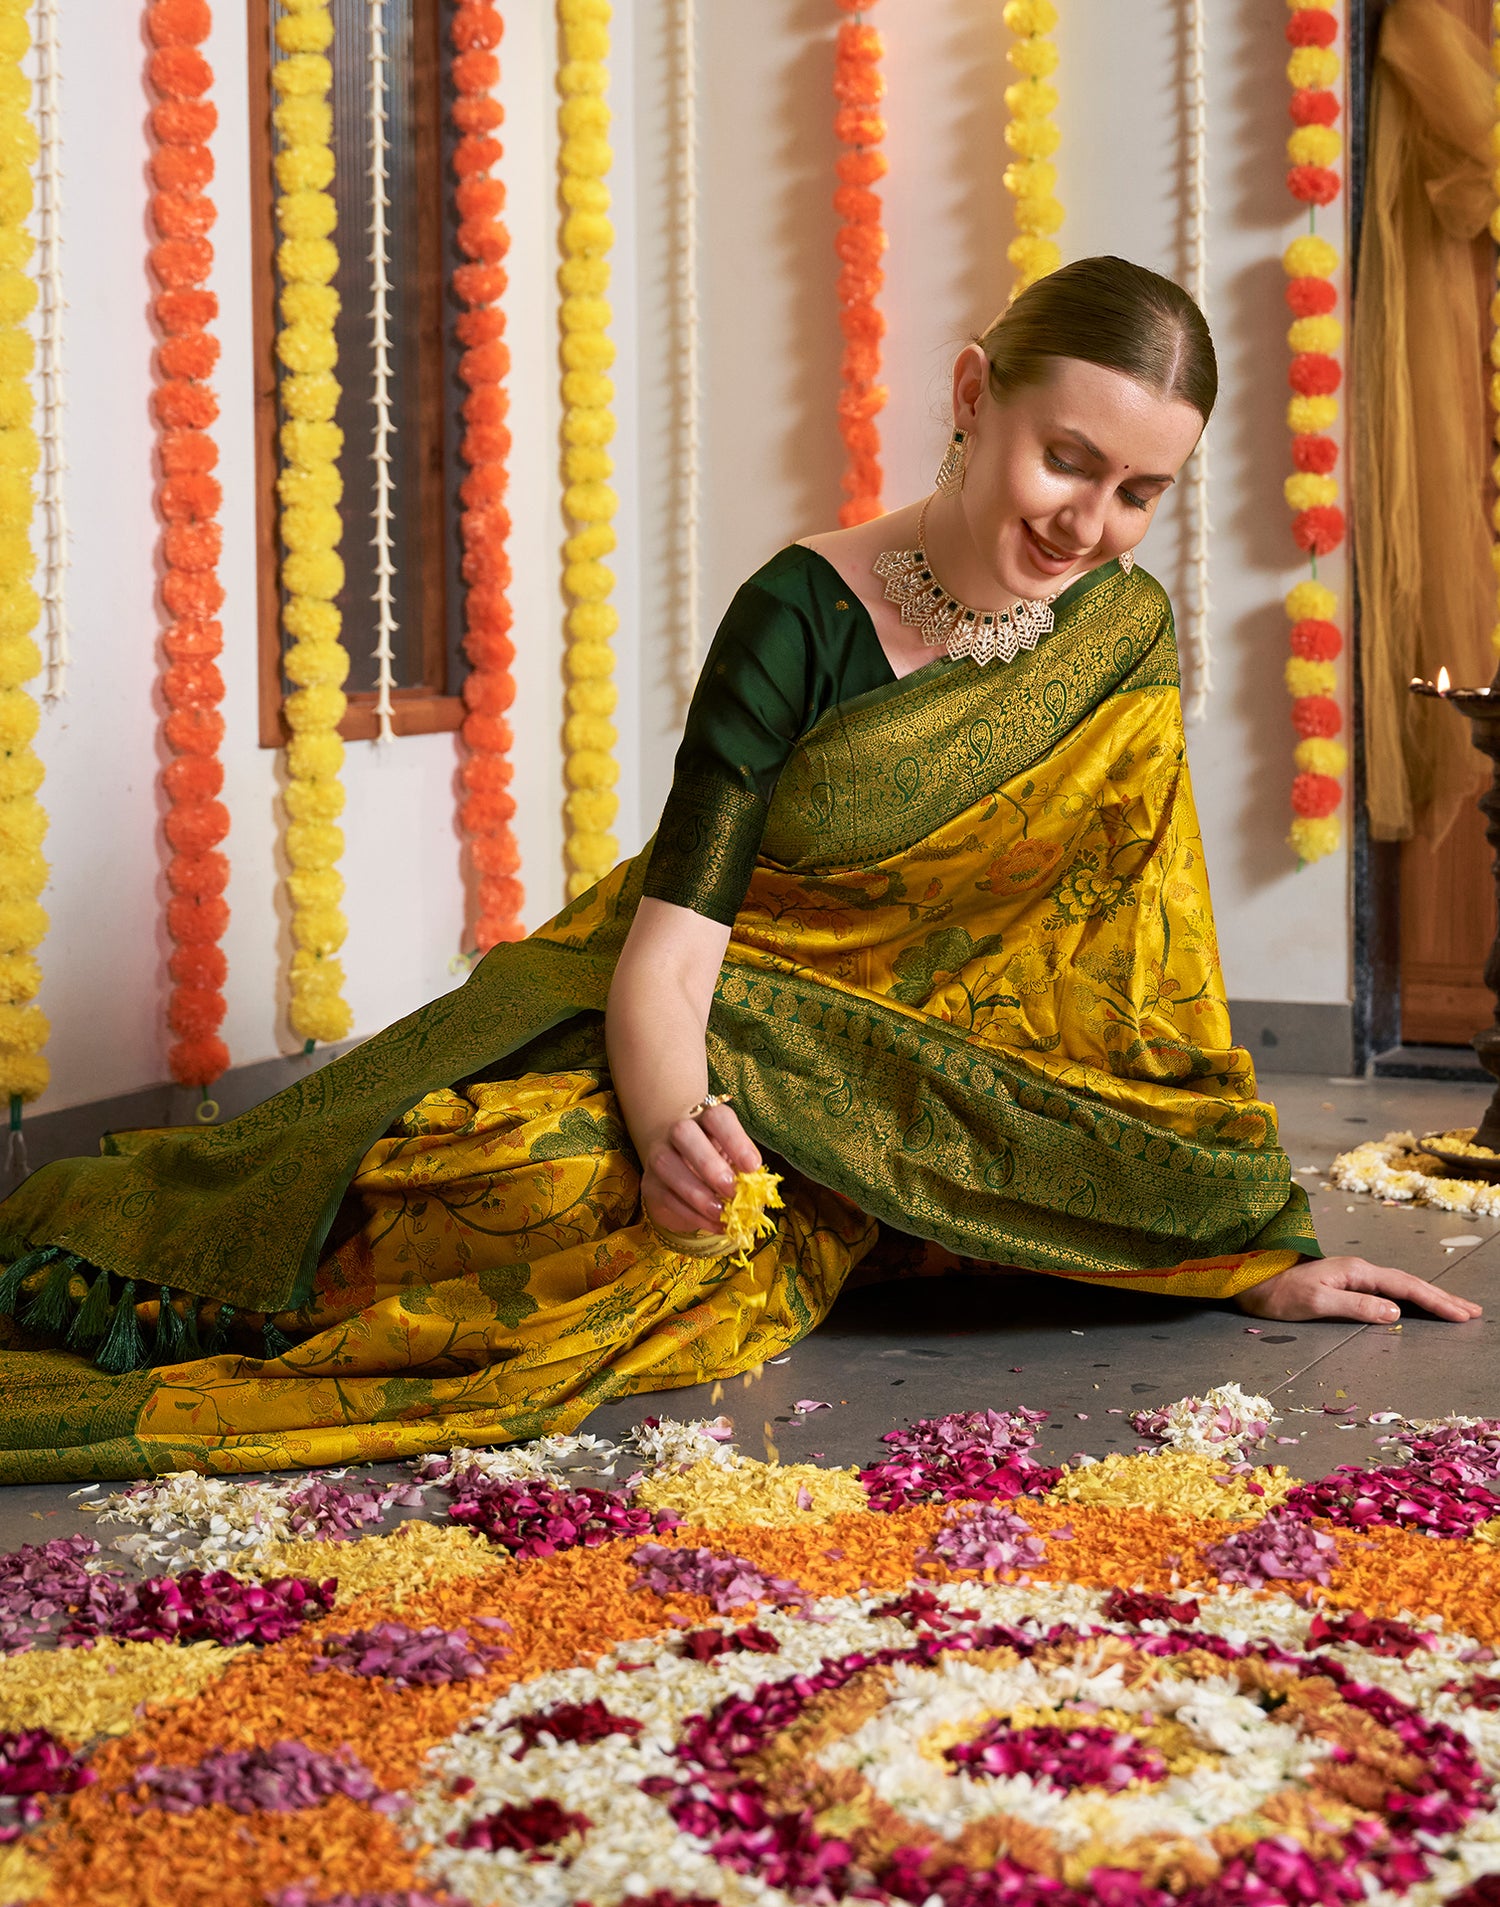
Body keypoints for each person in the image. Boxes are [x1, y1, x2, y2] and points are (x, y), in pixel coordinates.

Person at [0, 257, 1476, 1483]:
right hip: (696, 1028)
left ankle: (911, 1199)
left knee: (1147, 1165)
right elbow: (674, 953)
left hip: (936, 1087)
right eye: (1068, 458)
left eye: (1142, 491)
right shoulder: (800, 612)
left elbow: (1143, 964)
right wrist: (676, 1131)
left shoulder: (1120, 633)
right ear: (975, 396)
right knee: (541, 1184)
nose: (1088, 524)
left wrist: (1233, 1246)